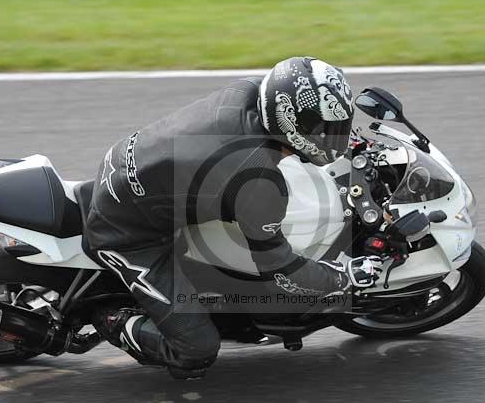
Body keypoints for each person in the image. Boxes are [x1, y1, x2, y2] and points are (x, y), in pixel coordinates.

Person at [85, 56, 382, 379]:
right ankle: (109, 318)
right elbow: (282, 273)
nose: (337, 136)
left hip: (127, 165)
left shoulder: (251, 91)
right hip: (124, 233)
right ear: (296, 126)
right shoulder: (259, 181)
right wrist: (342, 277)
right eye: (330, 130)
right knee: (195, 350)